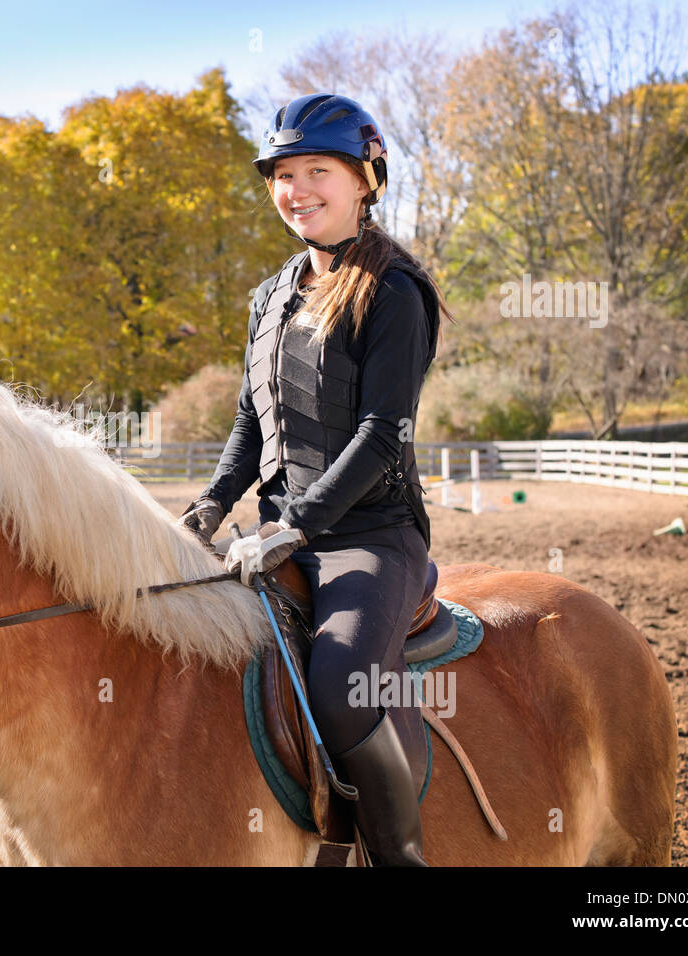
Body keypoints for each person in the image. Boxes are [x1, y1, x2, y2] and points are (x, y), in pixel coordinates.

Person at [180, 93, 449, 866]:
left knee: (341, 680)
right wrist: (209, 505)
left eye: (317, 171)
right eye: (283, 175)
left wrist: (296, 522)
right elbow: (248, 423)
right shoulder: (271, 294)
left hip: (368, 538)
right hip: (275, 533)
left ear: (366, 178)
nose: (297, 190)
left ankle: (400, 855)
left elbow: (381, 436)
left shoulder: (396, 291)